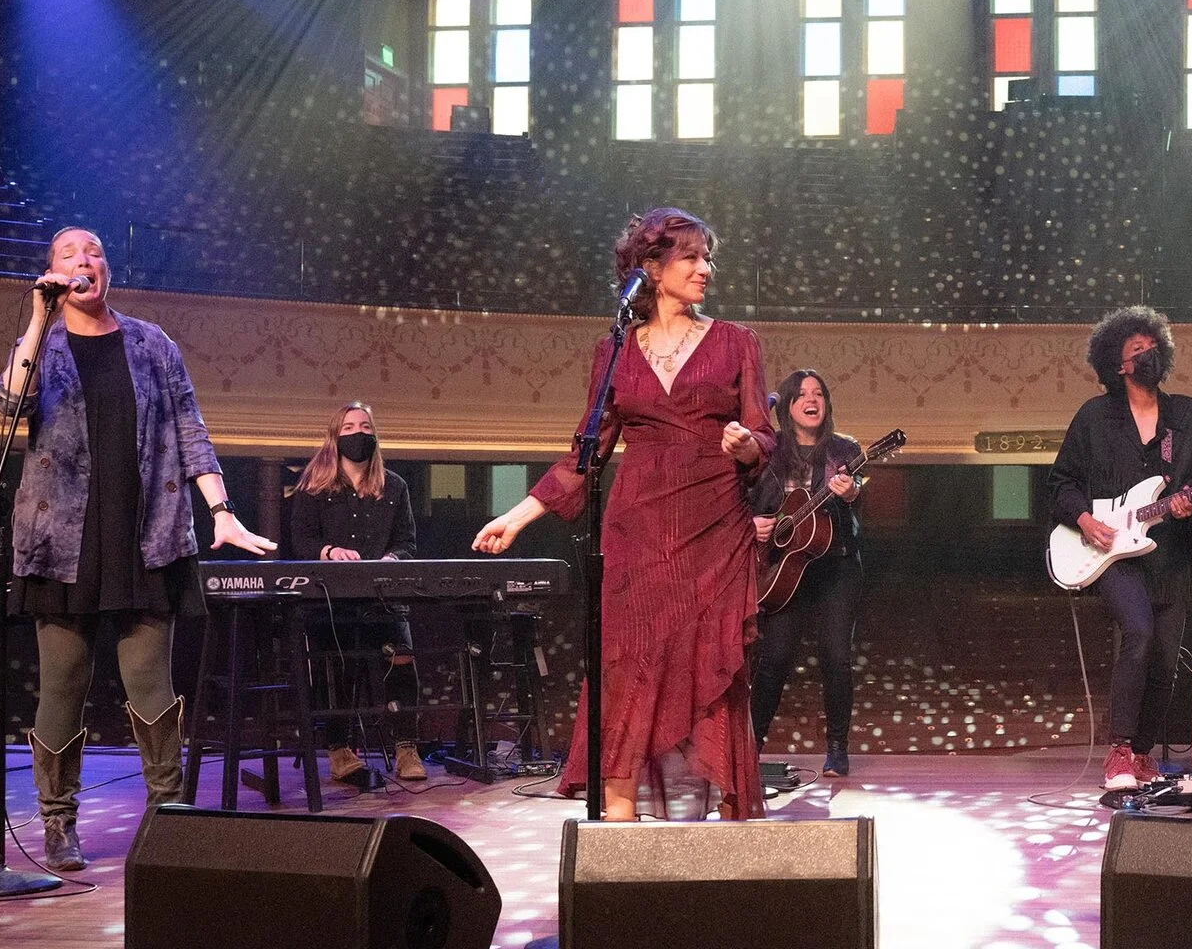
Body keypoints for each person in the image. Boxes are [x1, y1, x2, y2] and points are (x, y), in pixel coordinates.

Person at [473, 207, 774, 821]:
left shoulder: (737, 341)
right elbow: (584, 454)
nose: (705, 269)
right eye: (691, 257)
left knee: (710, 659)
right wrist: (519, 516)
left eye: (708, 258)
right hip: (637, 526)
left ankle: (731, 823)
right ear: (652, 268)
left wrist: (747, 446)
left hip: (714, 523)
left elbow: (765, 438)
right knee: (630, 658)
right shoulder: (614, 349)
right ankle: (618, 818)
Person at [0, 226, 277, 872]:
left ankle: (167, 816)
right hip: (60, 542)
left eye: (93, 252)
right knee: (62, 682)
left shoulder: (151, 344)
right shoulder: (41, 345)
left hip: (146, 535)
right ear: (52, 271)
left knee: (151, 681)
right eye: (69, 254)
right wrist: (38, 318)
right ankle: (57, 822)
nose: (83, 261)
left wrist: (222, 512)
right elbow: (10, 402)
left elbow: (190, 430)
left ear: (107, 268)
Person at [1048, 306, 1192, 791]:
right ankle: (1118, 749)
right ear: (1118, 365)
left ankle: (1141, 753)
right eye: (1137, 350)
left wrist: (1189, 503)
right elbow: (1061, 482)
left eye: (1153, 347)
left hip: (1170, 553)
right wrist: (1085, 520)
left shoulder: (1186, 415)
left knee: (1166, 658)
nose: (1148, 355)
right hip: (1115, 553)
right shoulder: (1094, 417)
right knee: (1138, 632)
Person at [285, 400, 426, 787]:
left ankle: (406, 749)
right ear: (335, 437)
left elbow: (407, 542)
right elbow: (301, 541)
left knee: (401, 662)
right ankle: (339, 750)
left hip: (384, 598)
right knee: (337, 668)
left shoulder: (394, 486)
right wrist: (330, 552)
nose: (358, 433)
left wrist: (392, 558)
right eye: (348, 427)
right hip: (334, 601)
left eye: (365, 426)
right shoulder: (314, 487)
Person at [749, 369, 864, 779]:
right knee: (774, 658)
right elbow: (743, 499)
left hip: (836, 566)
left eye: (819, 394)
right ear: (788, 406)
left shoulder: (844, 449)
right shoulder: (768, 451)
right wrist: (753, 525)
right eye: (801, 394)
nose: (812, 400)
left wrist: (850, 492)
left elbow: (856, 493)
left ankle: (837, 750)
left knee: (836, 657)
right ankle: (749, 748)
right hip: (785, 571)